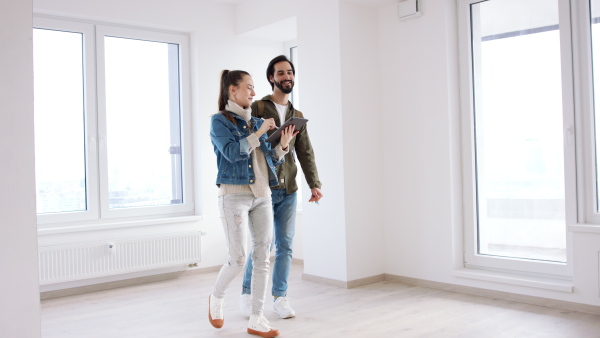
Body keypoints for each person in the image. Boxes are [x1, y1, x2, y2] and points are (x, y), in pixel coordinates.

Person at [208, 69, 297, 338]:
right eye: (248, 87)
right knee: (237, 259)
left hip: (262, 195)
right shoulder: (219, 122)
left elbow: (272, 159)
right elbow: (234, 153)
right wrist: (258, 132)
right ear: (232, 90)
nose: (253, 92)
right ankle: (216, 297)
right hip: (233, 196)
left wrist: (282, 144)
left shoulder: (256, 122)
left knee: (262, 257)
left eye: (254, 87)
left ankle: (257, 317)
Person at [239, 55, 323, 319]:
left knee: (285, 246)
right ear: (271, 78)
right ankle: (247, 295)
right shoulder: (260, 108)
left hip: (289, 191)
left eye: (290, 72)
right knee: (261, 245)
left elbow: (306, 152)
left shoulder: (297, 116)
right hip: (264, 188)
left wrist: (314, 184)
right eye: (281, 73)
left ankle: (280, 298)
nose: (287, 76)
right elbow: (248, 141)